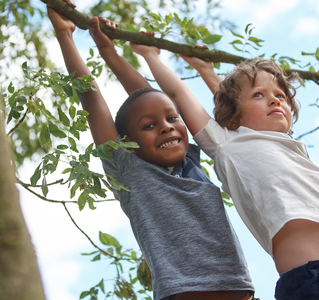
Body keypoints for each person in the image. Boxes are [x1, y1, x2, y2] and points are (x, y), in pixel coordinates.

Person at [47, 2, 255, 300]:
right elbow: (92, 100)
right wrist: (64, 34)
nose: (167, 127)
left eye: (173, 120)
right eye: (149, 127)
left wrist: (110, 53)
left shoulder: (191, 164)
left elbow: (150, 100)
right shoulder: (129, 170)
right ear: (127, 143)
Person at [130, 43, 319, 299]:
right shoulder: (229, 145)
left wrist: (205, 67)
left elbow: (240, 100)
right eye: (259, 95)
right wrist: (150, 54)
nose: (274, 99)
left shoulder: (292, 148)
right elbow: (179, 92)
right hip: (318, 278)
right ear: (233, 117)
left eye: (281, 96)